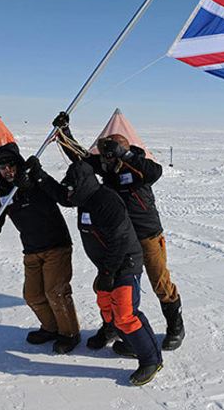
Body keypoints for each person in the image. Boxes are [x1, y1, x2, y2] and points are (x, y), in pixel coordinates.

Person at [52, 112, 185, 352]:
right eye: (104, 157)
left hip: (147, 235)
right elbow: (81, 160)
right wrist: (64, 134)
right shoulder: (107, 167)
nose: (105, 161)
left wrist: (124, 154)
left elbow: (156, 172)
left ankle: (175, 325)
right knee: (112, 284)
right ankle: (112, 325)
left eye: (110, 156)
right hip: (119, 239)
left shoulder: (139, 168)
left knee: (159, 281)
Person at [26, 156, 163, 386]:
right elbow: (60, 195)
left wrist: (109, 273)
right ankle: (122, 338)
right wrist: (40, 175)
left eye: (70, 188)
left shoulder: (106, 202)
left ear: (81, 186)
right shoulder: (82, 197)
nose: (67, 193)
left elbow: (120, 241)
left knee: (126, 312)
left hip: (125, 262)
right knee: (105, 302)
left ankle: (151, 359)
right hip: (107, 265)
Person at [0, 143, 80, 354]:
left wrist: (39, 175)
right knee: (32, 295)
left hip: (56, 247)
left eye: (11, 165)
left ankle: (69, 334)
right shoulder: (4, 196)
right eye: (2, 167)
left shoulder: (37, 184)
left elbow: (63, 197)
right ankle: (50, 328)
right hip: (31, 251)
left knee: (55, 292)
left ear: (18, 165)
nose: (7, 171)